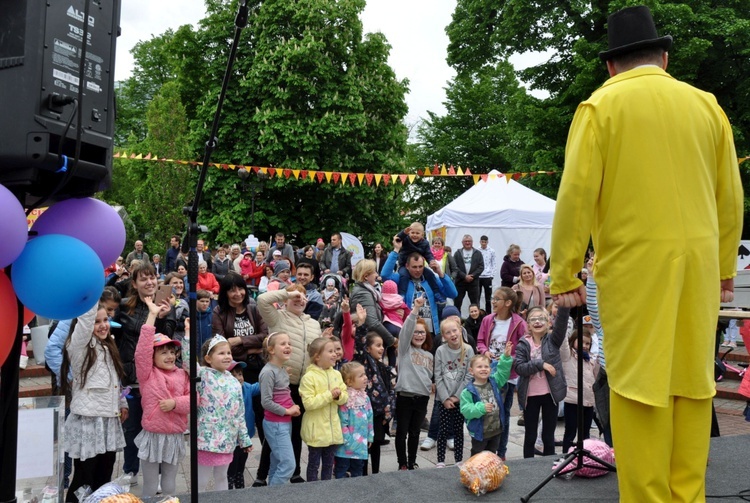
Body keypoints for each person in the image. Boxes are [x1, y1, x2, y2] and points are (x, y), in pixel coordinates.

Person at [549, 5, 742, 500]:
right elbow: (729, 196)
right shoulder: (707, 106)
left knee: (637, 384)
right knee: (693, 381)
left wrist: (566, 273)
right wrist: (724, 267)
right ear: (665, 58)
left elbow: (576, 195)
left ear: (612, 65)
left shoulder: (600, 107)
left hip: (636, 269)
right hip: (699, 267)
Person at [113, 263, 176, 482]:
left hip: (155, 379)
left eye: (153, 278)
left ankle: (157, 474)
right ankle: (130, 469)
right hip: (130, 377)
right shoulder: (123, 307)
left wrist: (163, 316)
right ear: (134, 284)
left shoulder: (167, 305)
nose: (149, 282)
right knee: (131, 427)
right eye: (143, 279)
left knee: (156, 428)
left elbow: (168, 342)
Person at [61, 303, 127, 502]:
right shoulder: (79, 346)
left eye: (106, 320)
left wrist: (123, 404)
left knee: (104, 478)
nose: (103, 325)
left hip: (108, 422)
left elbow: (115, 382)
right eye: (97, 321)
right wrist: (92, 295)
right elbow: (85, 320)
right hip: (89, 423)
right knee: (84, 479)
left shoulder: (109, 346)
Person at [257, 284, 323, 483]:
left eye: (303, 296)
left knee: (294, 432)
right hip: (282, 385)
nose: (299, 299)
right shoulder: (277, 317)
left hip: (303, 385)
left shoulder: (314, 324)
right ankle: (262, 476)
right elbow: (261, 300)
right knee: (275, 435)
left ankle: (293, 474)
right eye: (295, 296)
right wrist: (288, 293)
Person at [134, 297, 189, 498]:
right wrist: (152, 314)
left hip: (174, 435)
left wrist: (175, 403)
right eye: (163, 352)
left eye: (172, 352)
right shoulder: (147, 374)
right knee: (149, 483)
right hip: (153, 434)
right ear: (152, 357)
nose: (169, 356)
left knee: (169, 482)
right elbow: (142, 351)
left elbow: (194, 399)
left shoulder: (182, 374)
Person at [189, 335, 252, 492]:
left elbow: (239, 412)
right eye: (221, 353)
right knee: (201, 478)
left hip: (227, 439)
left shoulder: (233, 381)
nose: (227, 356)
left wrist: (244, 439)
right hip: (205, 438)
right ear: (208, 358)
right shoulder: (202, 374)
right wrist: (188, 336)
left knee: (222, 476)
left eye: (229, 353)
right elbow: (187, 361)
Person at [476, 287, 527, 459]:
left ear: (508, 303)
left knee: (503, 413)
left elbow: (523, 349)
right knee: (489, 411)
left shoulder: (519, 323)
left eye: (497, 299)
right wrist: (485, 352)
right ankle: (486, 449)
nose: (493, 301)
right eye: (493, 298)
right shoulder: (488, 320)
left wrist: (507, 357)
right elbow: (481, 341)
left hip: (507, 374)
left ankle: (501, 451)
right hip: (488, 372)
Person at [514, 306, 569, 458]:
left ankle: (549, 467)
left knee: (548, 436)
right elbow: (519, 367)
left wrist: (564, 305)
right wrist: (540, 364)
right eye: (533, 319)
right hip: (530, 396)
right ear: (528, 325)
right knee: (530, 436)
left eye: (542, 318)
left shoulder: (553, 340)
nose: (538, 322)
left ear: (549, 322)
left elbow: (562, 323)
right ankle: (528, 467)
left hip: (550, 394)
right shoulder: (523, 344)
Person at [381, 238, 458, 336]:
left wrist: (440, 273)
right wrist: (396, 250)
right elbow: (385, 276)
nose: (418, 270)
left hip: (430, 330)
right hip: (409, 330)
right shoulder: (401, 279)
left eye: (420, 266)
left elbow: (453, 293)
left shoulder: (431, 279)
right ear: (407, 266)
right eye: (414, 267)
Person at [299, 337, 348, 481]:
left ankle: (327, 490)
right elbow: (309, 404)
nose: (335, 354)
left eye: (335, 350)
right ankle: (313, 492)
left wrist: (339, 397)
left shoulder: (336, 374)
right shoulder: (309, 377)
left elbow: (345, 396)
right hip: (316, 431)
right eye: (330, 351)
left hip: (333, 430)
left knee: (328, 465)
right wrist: (329, 395)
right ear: (317, 357)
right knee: (314, 464)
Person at [353, 313, 395, 475]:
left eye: (382, 345)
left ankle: (376, 472)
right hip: (366, 412)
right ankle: (363, 473)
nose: (382, 348)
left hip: (379, 414)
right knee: (365, 445)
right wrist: (362, 324)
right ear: (368, 348)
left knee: (377, 443)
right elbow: (359, 343)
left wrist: (388, 411)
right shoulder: (365, 361)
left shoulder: (383, 366)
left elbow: (389, 390)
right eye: (377, 345)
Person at [394, 295, 433, 470]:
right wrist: (415, 310)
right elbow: (405, 331)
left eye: (422, 332)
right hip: (405, 396)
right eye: (416, 332)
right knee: (402, 432)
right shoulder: (404, 350)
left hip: (422, 397)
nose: (418, 335)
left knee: (415, 432)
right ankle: (402, 462)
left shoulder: (429, 355)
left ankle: (412, 462)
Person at [259, 333, 300, 486]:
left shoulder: (280, 369)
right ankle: (273, 496)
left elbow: (282, 394)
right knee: (289, 465)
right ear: (271, 350)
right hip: (276, 425)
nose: (288, 346)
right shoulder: (268, 372)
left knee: (277, 464)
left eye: (289, 343)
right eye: (283, 344)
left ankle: (272, 494)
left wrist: (292, 406)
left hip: (283, 423)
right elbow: (266, 402)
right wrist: (288, 411)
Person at [434, 316, 474, 468]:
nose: (452, 334)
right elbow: (438, 376)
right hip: (443, 398)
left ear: (460, 330)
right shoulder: (440, 351)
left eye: (454, 330)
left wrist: (457, 397)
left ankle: (458, 459)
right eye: (448, 332)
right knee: (443, 430)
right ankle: (440, 460)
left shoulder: (468, 349)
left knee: (458, 429)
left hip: (460, 397)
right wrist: (445, 398)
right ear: (444, 336)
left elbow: (469, 375)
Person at [460, 345, 513, 456]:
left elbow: (503, 373)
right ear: (471, 371)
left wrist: (506, 358)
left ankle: (489, 472)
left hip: (496, 430)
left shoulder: (494, 382)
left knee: (491, 455)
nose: (483, 369)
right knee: (477, 456)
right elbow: (465, 410)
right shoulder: (468, 391)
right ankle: (474, 472)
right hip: (480, 432)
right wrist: (481, 408)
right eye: (479, 367)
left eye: (486, 367)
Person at [561, 328, 598, 454]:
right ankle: (566, 456)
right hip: (573, 400)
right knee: (570, 431)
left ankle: (584, 457)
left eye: (588, 343)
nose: (585, 346)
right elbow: (563, 342)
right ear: (573, 341)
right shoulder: (568, 356)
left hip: (588, 402)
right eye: (581, 341)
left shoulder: (590, 360)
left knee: (585, 433)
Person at [334, 362, 374, 478]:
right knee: (342, 468)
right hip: (346, 444)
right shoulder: (345, 398)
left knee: (358, 469)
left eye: (365, 374)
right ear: (349, 381)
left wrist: (370, 436)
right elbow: (342, 421)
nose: (365, 377)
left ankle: (357, 491)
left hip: (361, 443)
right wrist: (347, 441)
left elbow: (370, 417)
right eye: (360, 375)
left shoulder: (365, 398)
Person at [227, 360, 261, 490]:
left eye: (240, 374)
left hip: (245, 436)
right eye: (233, 375)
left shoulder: (246, 387)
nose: (238, 378)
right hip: (232, 438)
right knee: (232, 466)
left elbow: (259, 386)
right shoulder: (225, 393)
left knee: (241, 464)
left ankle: (240, 488)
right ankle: (229, 489)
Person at [349, 259, 395, 347]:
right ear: (366, 276)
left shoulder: (368, 291)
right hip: (368, 343)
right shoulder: (363, 293)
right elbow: (372, 323)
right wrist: (392, 340)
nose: (377, 275)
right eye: (374, 272)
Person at [452, 235, 484, 312]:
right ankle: (457, 321)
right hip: (460, 282)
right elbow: (455, 267)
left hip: (473, 282)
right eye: (466, 241)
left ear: (472, 242)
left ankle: (476, 322)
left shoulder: (478, 253)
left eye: (469, 241)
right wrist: (464, 276)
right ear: (462, 243)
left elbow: (481, 267)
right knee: (457, 303)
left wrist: (472, 276)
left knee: (475, 303)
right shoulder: (457, 253)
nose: (467, 243)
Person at [477, 236, 497, 314]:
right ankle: (477, 314)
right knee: (477, 296)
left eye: (485, 242)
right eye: (482, 242)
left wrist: (492, 275)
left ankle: (489, 314)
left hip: (488, 277)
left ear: (487, 242)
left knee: (488, 298)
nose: (484, 243)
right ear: (480, 242)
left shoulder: (491, 251)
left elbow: (494, 263)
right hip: (479, 277)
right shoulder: (477, 250)